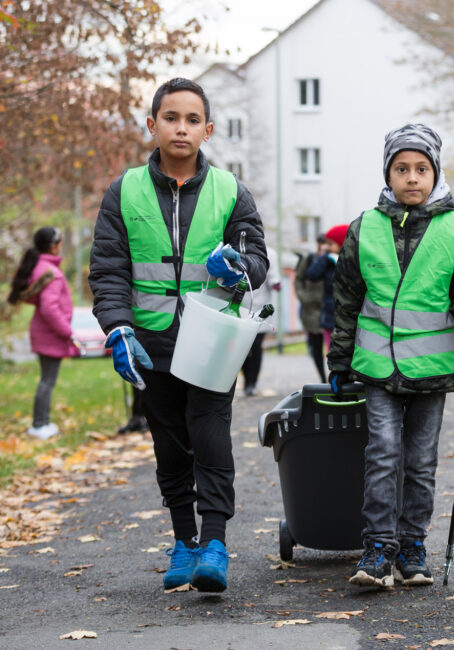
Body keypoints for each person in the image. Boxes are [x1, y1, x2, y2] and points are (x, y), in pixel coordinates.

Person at [89, 78, 268, 594]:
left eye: (193, 120)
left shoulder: (231, 191)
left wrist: (239, 270)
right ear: (152, 125)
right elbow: (108, 268)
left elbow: (257, 259)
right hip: (149, 342)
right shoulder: (124, 191)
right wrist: (118, 328)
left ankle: (215, 544)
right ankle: (184, 542)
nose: (181, 127)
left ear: (208, 130)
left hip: (211, 340)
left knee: (209, 434)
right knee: (168, 443)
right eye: (171, 117)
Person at [326, 123, 454, 588]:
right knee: (382, 453)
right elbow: (345, 300)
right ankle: (378, 547)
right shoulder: (365, 229)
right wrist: (340, 362)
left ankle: (412, 543)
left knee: (420, 462)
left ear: (436, 172)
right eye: (402, 168)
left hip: (432, 370)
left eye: (422, 168)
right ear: (388, 174)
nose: (412, 177)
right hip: (378, 366)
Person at [7, 227, 80, 440]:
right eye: (60, 243)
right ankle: (40, 425)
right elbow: (50, 308)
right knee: (47, 381)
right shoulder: (52, 273)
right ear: (53, 246)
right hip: (50, 333)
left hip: (42, 330)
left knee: (45, 379)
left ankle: (41, 423)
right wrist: (68, 332)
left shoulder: (40, 267)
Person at [240, 245, 280, 396]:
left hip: (260, 307)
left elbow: (273, 275)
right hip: (240, 306)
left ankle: (252, 383)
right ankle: (246, 381)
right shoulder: (237, 250)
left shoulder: (270, 253)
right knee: (242, 347)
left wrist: (276, 283)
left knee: (256, 346)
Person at [306, 224, 347, 350]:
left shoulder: (350, 261)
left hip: (347, 317)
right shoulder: (327, 261)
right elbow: (312, 274)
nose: (326, 247)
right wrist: (324, 258)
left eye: (330, 244)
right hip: (329, 314)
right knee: (332, 352)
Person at [294, 237, 326, 383]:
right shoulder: (309, 259)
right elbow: (298, 279)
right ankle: (323, 378)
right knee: (316, 346)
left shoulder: (333, 259)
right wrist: (303, 296)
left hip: (330, 308)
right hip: (311, 310)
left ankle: (335, 379)